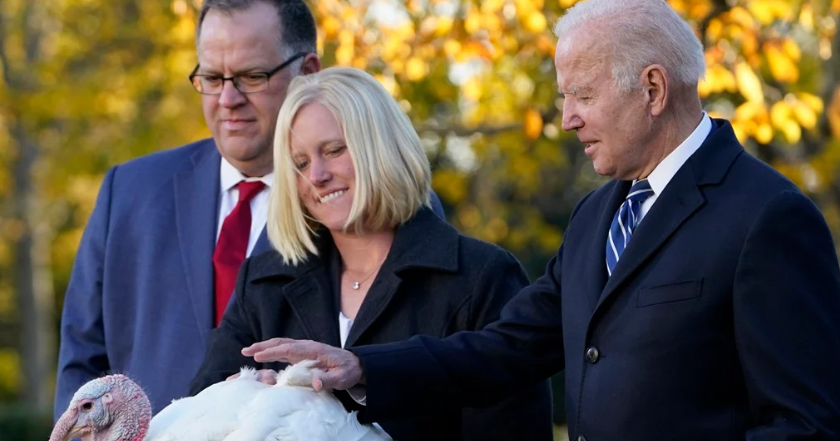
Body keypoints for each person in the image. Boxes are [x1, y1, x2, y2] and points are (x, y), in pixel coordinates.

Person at [240, 1, 840, 440]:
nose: (566, 119)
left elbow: (802, 425)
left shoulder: (769, 218)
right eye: (562, 98)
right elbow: (505, 348)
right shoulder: (595, 215)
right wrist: (363, 365)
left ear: (652, 88)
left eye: (580, 95)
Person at [54, 0, 442, 418]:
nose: (227, 98)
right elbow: (83, 365)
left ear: (307, 71)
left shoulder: (370, 203)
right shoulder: (129, 192)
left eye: (251, 76)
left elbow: (428, 364)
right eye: (211, 77)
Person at [189, 67, 553, 441]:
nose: (316, 175)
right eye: (299, 164)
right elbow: (196, 411)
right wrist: (235, 396)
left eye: (333, 150)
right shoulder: (264, 283)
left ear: (379, 146)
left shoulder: (480, 276)